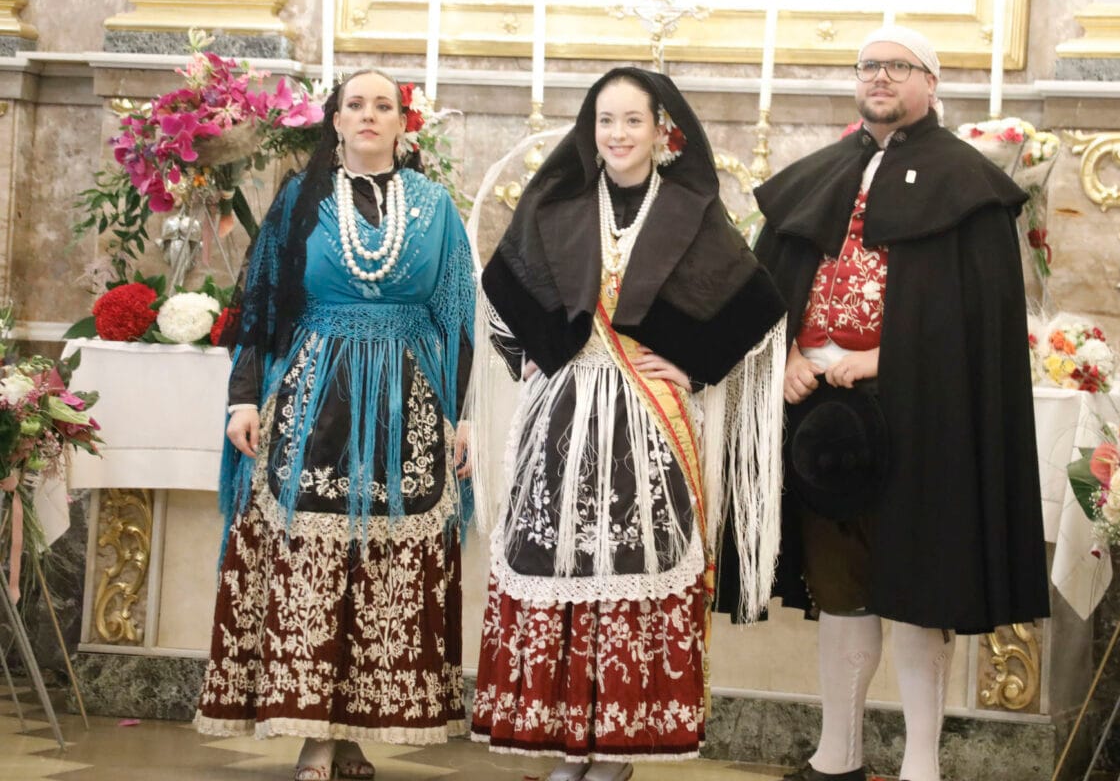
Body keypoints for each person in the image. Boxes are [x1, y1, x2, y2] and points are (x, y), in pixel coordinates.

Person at [746, 26, 1051, 781]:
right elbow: (765, 288)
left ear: (931, 83)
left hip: (924, 413)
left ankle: (922, 765)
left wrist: (884, 357)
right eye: (869, 66)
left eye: (898, 67)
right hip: (821, 420)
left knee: (921, 588)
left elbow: (975, 322)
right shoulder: (818, 174)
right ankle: (836, 754)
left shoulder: (967, 184)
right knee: (840, 589)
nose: (880, 78)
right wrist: (781, 354)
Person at [468, 67, 787, 781]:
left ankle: (618, 749)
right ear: (591, 129)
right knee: (560, 565)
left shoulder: (690, 209)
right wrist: (530, 354)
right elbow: (503, 285)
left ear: (662, 129)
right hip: (562, 415)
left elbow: (752, 301)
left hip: (647, 423)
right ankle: (563, 745)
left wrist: (696, 365)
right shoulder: (559, 202)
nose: (616, 134)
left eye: (632, 121)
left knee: (634, 572)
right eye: (604, 121)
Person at [194, 69, 476, 781]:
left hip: (407, 405)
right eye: (357, 105)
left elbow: (460, 316)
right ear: (337, 119)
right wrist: (245, 397)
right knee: (313, 564)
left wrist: (464, 415)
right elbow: (260, 300)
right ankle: (314, 734)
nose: (371, 115)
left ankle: (353, 731)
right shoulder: (301, 198)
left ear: (404, 121)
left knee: (381, 567)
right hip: (314, 398)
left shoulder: (436, 205)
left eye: (385, 105)